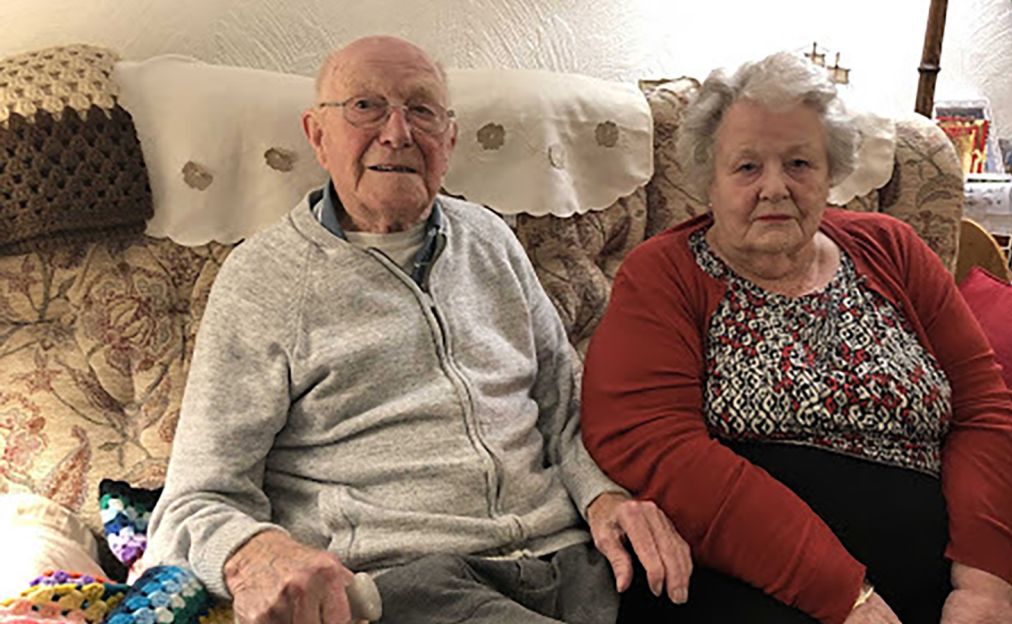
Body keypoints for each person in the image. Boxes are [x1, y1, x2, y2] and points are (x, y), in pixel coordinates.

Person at [146, 36, 690, 624]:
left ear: (449, 139)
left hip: (571, 557)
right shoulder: (262, 279)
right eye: (365, 107)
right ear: (316, 135)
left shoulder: (490, 239)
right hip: (411, 579)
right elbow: (195, 501)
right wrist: (254, 553)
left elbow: (563, 405)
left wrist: (604, 495)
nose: (397, 132)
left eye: (422, 110)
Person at [580, 52, 1012, 624]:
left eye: (799, 163)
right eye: (746, 168)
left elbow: (985, 410)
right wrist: (843, 594)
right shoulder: (662, 274)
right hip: (748, 573)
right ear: (706, 180)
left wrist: (987, 584)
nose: (775, 188)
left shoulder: (893, 249)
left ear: (831, 170)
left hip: (943, 567)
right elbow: (654, 444)